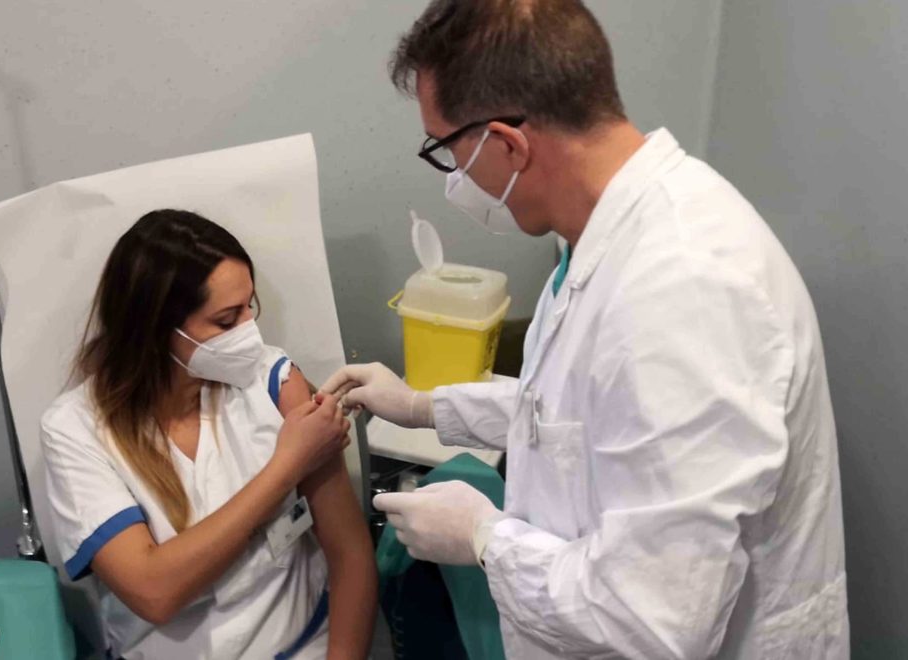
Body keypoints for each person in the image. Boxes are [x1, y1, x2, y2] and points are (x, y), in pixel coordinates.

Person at [320, 1, 849, 658]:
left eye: (446, 151)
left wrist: (485, 540)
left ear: (507, 144)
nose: (454, 178)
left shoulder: (687, 289)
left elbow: (656, 619)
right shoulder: (604, 237)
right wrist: (423, 406)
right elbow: (576, 412)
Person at [41, 210, 377, 659]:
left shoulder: (273, 383)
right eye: (225, 320)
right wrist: (287, 467)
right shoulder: (75, 430)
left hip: (302, 646)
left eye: (250, 307)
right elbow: (153, 592)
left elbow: (351, 555)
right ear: (155, 331)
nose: (249, 332)